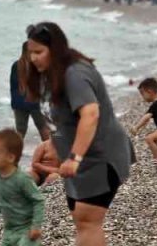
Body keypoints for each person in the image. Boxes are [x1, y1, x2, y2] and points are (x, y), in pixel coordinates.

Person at [22, 22, 134, 246]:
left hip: (100, 157)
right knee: (82, 219)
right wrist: (55, 147)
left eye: (39, 52)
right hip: (79, 161)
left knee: (87, 220)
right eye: (30, 53)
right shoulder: (51, 74)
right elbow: (60, 119)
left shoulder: (75, 73)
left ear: (55, 49)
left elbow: (90, 114)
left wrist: (74, 157)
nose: (33, 58)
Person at [0, 129, 45, 246]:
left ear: (11, 157)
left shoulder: (22, 179)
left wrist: (36, 226)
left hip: (27, 228)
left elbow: (38, 201)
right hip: (9, 230)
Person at [11, 42, 51, 142]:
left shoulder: (16, 65)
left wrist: (14, 102)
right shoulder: (36, 66)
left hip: (19, 103)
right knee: (43, 129)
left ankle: (15, 154)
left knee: (20, 132)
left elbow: (13, 86)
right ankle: (49, 152)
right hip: (34, 102)